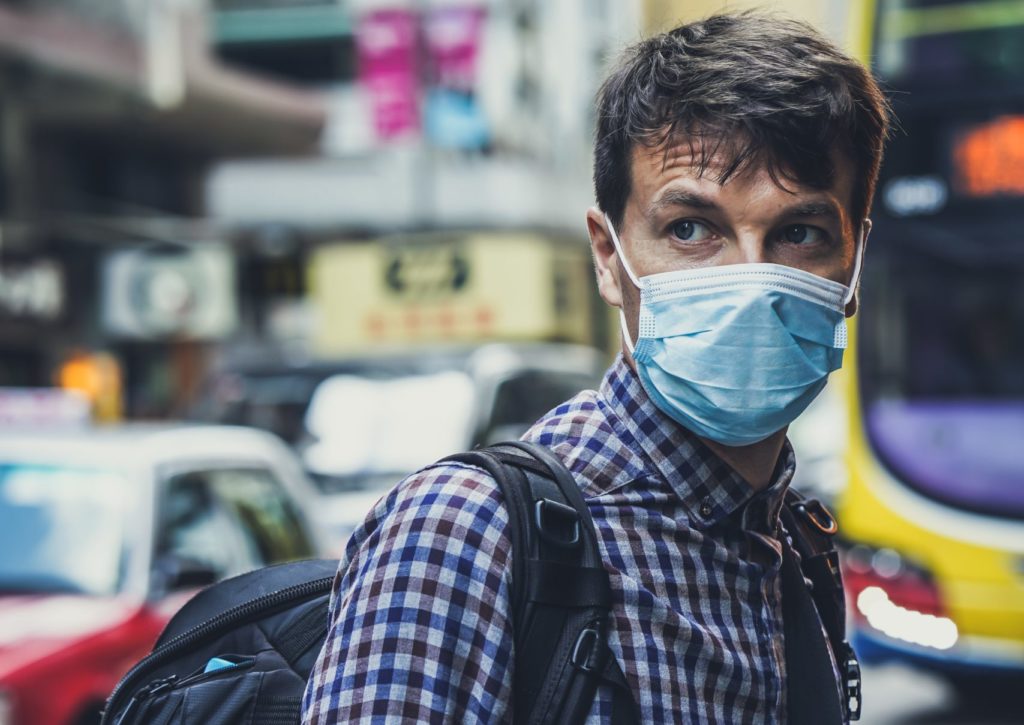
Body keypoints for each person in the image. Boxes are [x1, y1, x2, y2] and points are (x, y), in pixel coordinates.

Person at [302, 12, 890, 724]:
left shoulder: (793, 546)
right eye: (691, 229)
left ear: (851, 262)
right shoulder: (466, 533)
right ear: (609, 257)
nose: (752, 282)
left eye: (798, 233)